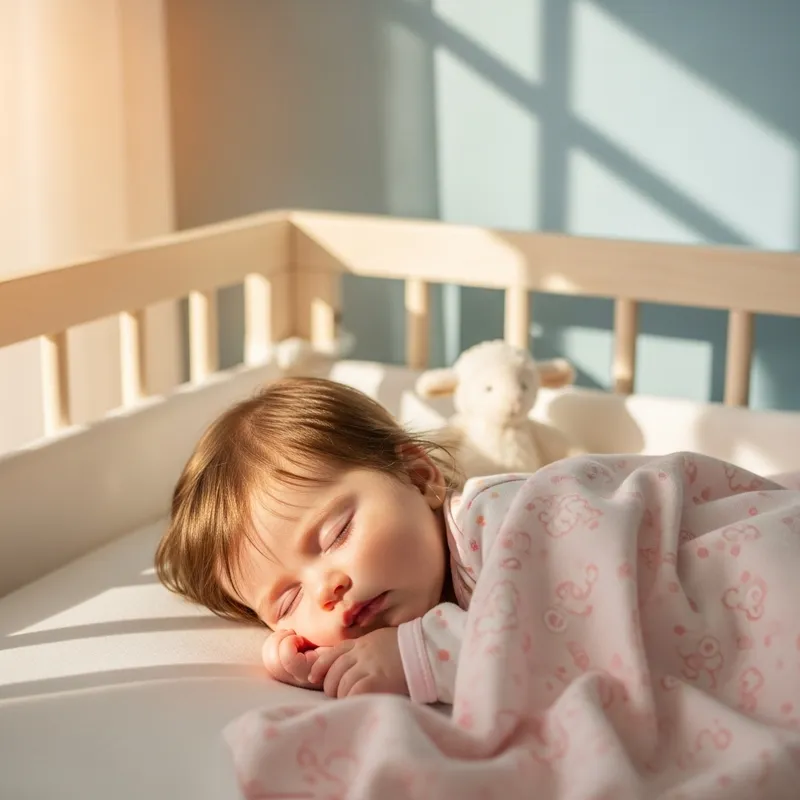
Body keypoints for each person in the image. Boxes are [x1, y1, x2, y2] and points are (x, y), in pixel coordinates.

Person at [155, 375, 498, 701]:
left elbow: (542, 638)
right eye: (289, 601)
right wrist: (323, 666)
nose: (324, 591)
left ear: (419, 478)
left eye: (337, 535)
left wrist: (419, 655)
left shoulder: (497, 519)